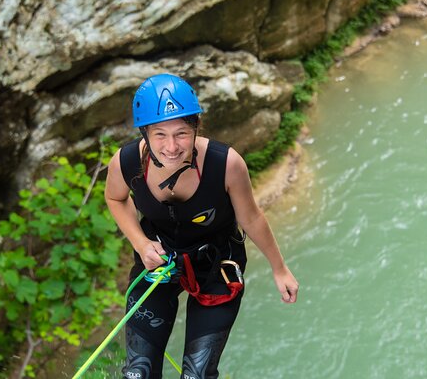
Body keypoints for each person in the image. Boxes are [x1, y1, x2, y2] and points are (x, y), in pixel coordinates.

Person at [105, 73, 299, 379]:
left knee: (196, 376)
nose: (172, 146)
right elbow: (115, 199)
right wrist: (141, 244)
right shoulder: (127, 163)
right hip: (158, 261)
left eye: (181, 133)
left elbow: (251, 218)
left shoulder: (226, 164)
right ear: (144, 134)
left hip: (216, 266)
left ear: (197, 127)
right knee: (137, 374)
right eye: (159, 135)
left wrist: (279, 268)